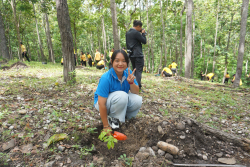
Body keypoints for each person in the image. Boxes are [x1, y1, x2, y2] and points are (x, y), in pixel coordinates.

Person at [94, 49, 142, 134]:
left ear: (127, 63)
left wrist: (131, 82)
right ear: (112, 62)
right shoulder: (106, 78)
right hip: (103, 103)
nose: (120, 64)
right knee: (122, 96)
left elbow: (136, 92)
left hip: (120, 101)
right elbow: (101, 103)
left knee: (137, 100)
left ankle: (126, 122)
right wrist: (105, 126)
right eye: (117, 61)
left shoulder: (128, 73)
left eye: (123, 61)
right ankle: (114, 124)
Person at [126, 20, 147, 92]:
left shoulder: (128, 33)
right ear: (138, 26)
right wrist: (143, 34)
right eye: (140, 27)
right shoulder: (136, 33)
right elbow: (144, 41)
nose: (141, 29)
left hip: (131, 54)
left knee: (134, 71)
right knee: (138, 71)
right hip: (138, 54)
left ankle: (133, 86)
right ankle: (138, 87)